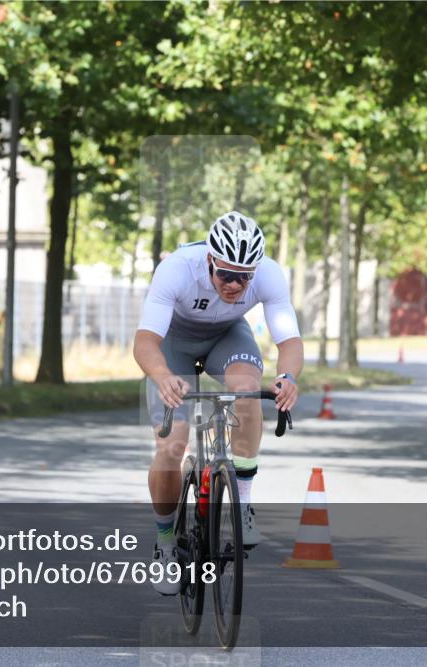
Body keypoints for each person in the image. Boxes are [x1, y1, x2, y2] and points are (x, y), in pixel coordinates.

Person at [132, 211, 303, 595]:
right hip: (174, 342)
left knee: (246, 388)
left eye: (244, 277)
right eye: (226, 275)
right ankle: (163, 546)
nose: (235, 285)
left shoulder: (270, 274)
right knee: (171, 445)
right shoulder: (177, 269)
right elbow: (145, 341)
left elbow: (289, 341)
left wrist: (288, 378)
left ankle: (242, 503)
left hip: (227, 337)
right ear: (210, 260)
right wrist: (162, 376)